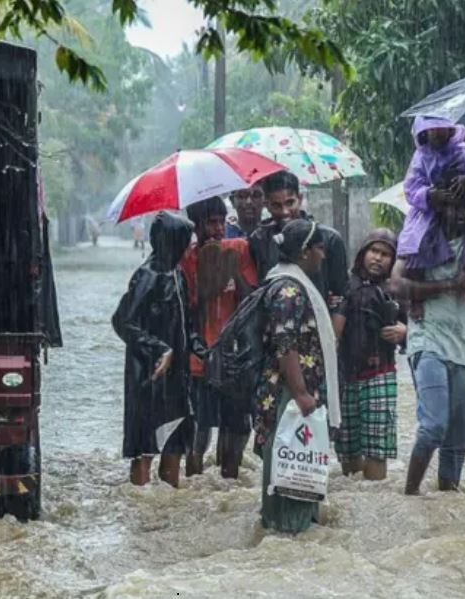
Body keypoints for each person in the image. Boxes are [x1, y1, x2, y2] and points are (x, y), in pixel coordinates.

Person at [390, 185, 465, 495]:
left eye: (464, 207)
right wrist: (448, 285)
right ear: (439, 207)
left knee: (458, 439)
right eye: (451, 207)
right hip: (428, 339)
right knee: (434, 425)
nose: (458, 215)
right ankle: (410, 496)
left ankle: (446, 499)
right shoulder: (420, 239)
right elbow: (395, 284)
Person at [253, 219, 341, 534]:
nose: (323, 255)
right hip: (288, 395)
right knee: (290, 472)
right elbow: (285, 343)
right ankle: (287, 534)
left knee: (294, 469)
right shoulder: (290, 289)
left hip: (289, 393)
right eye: (319, 248)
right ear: (304, 253)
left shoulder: (286, 282)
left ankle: (289, 533)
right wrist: (302, 393)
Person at [112, 212, 203, 488]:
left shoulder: (177, 274)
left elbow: (186, 322)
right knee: (145, 446)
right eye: (185, 240)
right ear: (171, 241)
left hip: (177, 376)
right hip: (149, 374)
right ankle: (139, 503)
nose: (189, 246)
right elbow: (122, 321)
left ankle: (168, 505)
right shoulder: (147, 275)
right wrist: (159, 349)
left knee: (175, 441)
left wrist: (200, 346)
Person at [180, 197, 258, 478]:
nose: (218, 229)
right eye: (211, 223)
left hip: (234, 358)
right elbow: (184, 311)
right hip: (198, 361)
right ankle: (194, 480)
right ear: (196, 226)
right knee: (200, 430)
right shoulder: (186, 259)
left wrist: (232, 271)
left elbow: (252, 300)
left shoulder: (239, 249)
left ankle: (229, 479)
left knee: (237, 427)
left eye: (222, 222)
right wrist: (207, 283)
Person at [332, 230, 407, 480]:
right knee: (348, 446)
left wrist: (404, 330)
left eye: (385, 254)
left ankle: (374, 492)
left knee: (377, 448)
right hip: (346, 376)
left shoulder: (396, 289)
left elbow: (419, 323)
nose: (378, 258)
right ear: (363, 253)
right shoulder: (345, 285)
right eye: (374, 251)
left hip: (380, 374)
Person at [397, 116, 465, 313]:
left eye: (441, 129)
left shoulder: (464, 151)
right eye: (432, 130)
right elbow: (411, 188)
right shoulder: (420, 158)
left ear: (451, 131)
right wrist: (430, 194)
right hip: (430, 209)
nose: (437, 134)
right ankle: (417, 298)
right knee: (416, 240)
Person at [248, 171, 348, 311]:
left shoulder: (329, 239)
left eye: (290, 203)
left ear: (300, 199)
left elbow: (342, 297)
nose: (285, 212)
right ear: (266, 205)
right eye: (276, 205)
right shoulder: (259, 240)